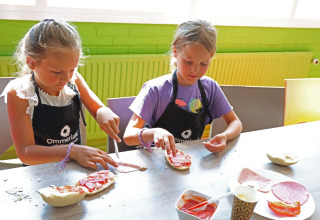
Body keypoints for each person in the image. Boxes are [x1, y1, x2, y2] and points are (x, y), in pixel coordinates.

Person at [0, 19, 120, 170]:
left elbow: (97, 107)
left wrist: (103, 111)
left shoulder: (73, 79)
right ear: (31, 62)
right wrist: (72, 151)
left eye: (72, 69)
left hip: (75, 167)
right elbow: (26, 153)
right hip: (40, 171)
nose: (67, 78)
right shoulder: (20, 93)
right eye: (57, 72)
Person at [123, 20, 242, 156]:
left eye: (203, 63)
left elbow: (235, 123)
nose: (195, 70)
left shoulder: (211, 87)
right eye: (188, 61)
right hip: (157, 160)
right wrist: (154, 132)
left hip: (190, 158)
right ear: (175, 52)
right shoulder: (155, 89)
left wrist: (225, 136)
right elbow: (128, 136)